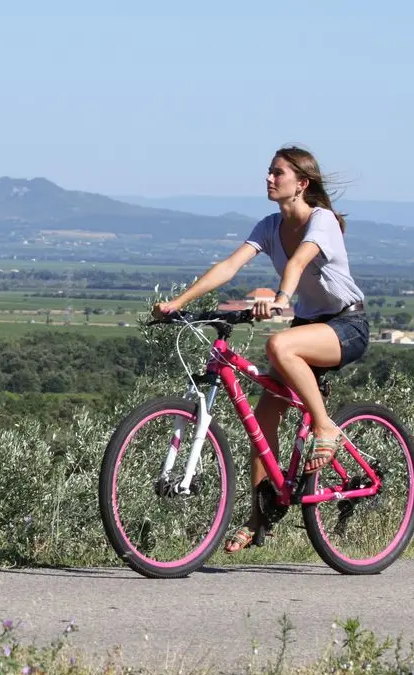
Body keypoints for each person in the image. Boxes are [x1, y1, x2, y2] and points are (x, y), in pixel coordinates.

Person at [150, 145, 369, 554]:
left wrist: (283, 296)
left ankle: (325, 427)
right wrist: (178, 303)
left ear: (301, 183)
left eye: (278, 173)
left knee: (278, 344)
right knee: (261, 424)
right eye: (268, 172)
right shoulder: (269, 225)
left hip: (346, 325)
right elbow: (228, 267)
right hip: (310, 327)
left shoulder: (321, 222)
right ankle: (258, 520)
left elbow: (300, 261)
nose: (269, 179)